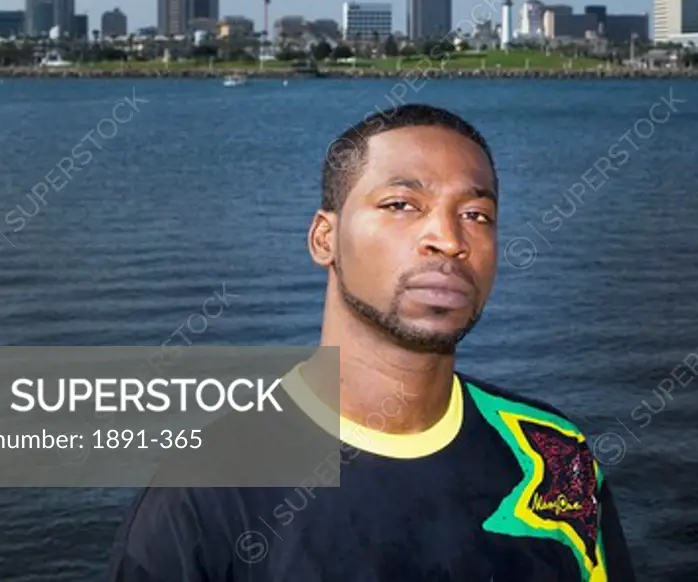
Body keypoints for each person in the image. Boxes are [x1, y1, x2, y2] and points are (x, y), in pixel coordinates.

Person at [106, 103, 636, 581]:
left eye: (477, 215)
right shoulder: (205, 491)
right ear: (324, 239)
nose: (449, 240)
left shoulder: (555, 456)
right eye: (402, 205)